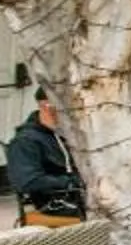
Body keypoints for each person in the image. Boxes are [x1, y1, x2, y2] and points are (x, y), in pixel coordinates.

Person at [6, 89, 85, 220]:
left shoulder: (61, 134)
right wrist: (70, 182)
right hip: (53, 204)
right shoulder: (26, 141)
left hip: (75, 197)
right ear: (47, 107)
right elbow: (27, 181)